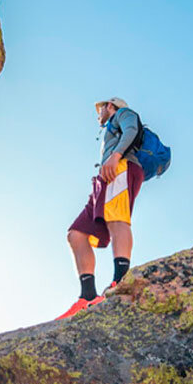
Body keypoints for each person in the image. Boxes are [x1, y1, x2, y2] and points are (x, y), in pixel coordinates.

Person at [56, 97, 145, 320]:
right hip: (105, 176)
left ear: (111, 106)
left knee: (117, 219)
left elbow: (132, 128)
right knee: (76, 234)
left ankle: (122, 279)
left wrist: (116, 156)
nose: (99, 114)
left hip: (121, 167)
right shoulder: (110, 125)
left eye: (101, 109)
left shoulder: (123, 114)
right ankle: (88, 297)